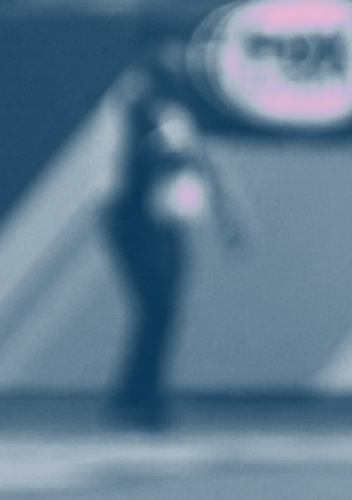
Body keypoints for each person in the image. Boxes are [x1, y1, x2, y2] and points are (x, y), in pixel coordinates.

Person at [97, 57, 248, 431]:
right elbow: (137, 165)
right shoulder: (133, 114)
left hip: (167, 222)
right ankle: (139, 394)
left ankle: (137, 391)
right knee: (157, 306)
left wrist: (228, 217)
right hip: (138, 220)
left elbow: (202, 164)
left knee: (163, 309)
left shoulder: (174, 118)